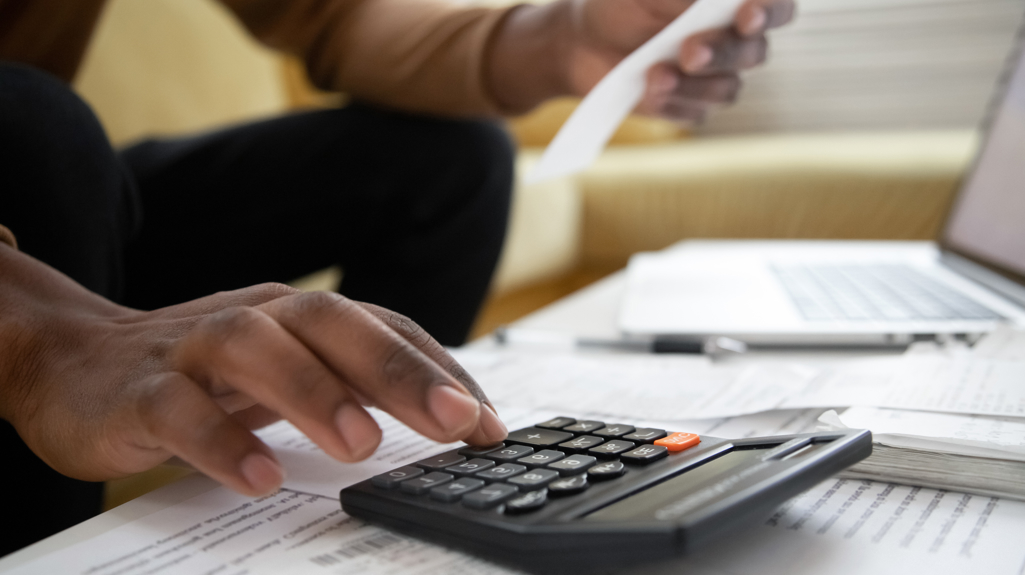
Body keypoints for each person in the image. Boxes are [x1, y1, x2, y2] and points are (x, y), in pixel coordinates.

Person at [0, 0, 795, 556]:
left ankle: (384, 480)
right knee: (35, 129)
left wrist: (566, 36)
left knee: (453, 157)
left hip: (88, 197)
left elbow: (333, 14)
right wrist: (30, 337)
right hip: (30, 191)